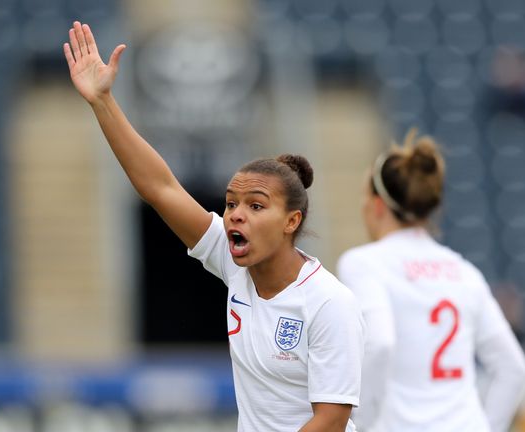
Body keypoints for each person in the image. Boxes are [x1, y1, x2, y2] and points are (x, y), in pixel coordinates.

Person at [63, 21, 364, 432]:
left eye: (256, 205)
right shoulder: (235, 263)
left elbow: (330, 420)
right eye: (231, 203)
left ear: (292, 221)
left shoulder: (330, 303)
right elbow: (160, 187)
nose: (236, 214)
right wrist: (103, 102)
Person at [337, 129, 525, 432]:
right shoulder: (465, 272)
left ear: (377, 206)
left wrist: (358, 424)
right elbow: (514, 369)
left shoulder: (363, 263)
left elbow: (380, 344)